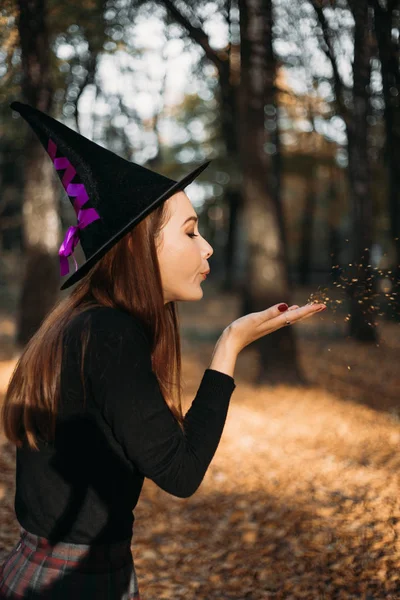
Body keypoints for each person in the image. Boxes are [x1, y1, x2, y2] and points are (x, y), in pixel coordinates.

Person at [0, 102, 327, 600]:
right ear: (139, 247)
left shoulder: (87, 323)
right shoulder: (107, 334)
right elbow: (180, 471)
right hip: (71, 585)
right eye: (191, 232)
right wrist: (229, 345)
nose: (208, 247)